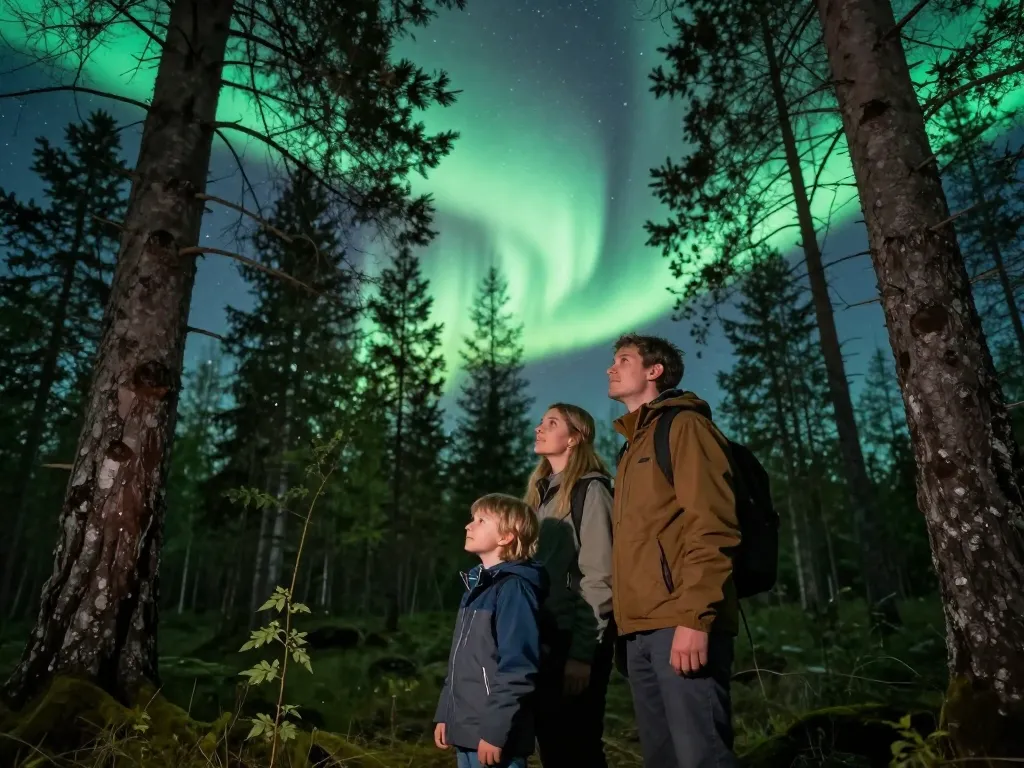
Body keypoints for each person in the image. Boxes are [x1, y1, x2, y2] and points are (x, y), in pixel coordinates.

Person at [607, 333, 741, 768]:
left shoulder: (684, 426)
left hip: (680, 623)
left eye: (623, 360)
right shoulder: (631, 448)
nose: (611, 368)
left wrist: (695, 618)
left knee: (701, 757)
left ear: (654, 371)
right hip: (640, 630)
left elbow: (713, 525)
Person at [525, 403, 615, 768]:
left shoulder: (590, 492)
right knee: (553, 744)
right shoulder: (540, 495)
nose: (539, 428)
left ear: (575, 438)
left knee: (577, 747)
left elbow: (599, 576)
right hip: (545, 638)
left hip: (575, 637)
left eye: (552, 422)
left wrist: (583, 653)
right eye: (541, 421)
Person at [434, 493, 547, 768]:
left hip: (494, 737)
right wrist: (445, 713)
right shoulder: (477, 589)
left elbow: (518, 669)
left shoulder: (514, 590)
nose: (468, 526)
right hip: (467, 730)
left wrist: (496, 732)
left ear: (506, 537)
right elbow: (460, 661)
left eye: (481, 520)